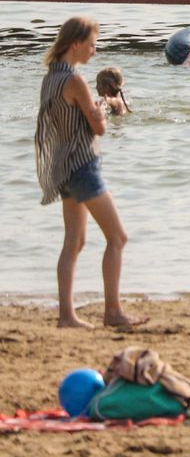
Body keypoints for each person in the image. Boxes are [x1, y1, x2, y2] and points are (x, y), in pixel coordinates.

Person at [35, 17, 145, 328]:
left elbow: (62, 123)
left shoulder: (51, 78)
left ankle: (67, 316)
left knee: (74, 242)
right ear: (76, 45)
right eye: (93, 45)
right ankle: (113, 312)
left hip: (64, 166)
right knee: (118, 237)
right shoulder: (75, 81)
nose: (95, 52)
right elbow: (98, 128)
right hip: (84, 166)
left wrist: (91, 112)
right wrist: (99, 115)